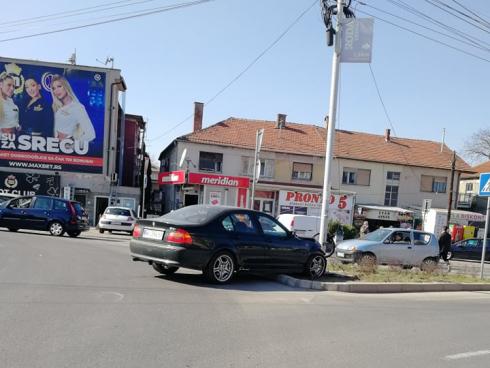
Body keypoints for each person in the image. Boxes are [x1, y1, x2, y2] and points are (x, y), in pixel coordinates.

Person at [51, 74, 95, 142]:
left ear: (66, 87)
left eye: (59, 86)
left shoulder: (77, 107)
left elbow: (91, 134)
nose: (56, 90)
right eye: (54, 88)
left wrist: (73, 144)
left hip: (66, 148)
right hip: (55, 147)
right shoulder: (58, 107)